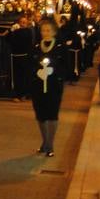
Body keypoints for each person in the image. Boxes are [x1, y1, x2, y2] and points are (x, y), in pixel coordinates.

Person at [29, 17, 66, 156]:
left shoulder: (60, 46)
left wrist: (54, 71)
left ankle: (50, 145)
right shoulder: (37, 46)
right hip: (38, 85)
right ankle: (44, 142)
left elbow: (64, 64)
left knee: (52, 114)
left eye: (48, 30)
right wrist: (37, 71)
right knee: (41, 114)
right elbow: (31, 62)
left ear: (54, 31)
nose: (46, 33)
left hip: (54, 85)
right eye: (43, 30)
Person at [7, 14, 35, 102]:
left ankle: (23, 94)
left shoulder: (27, 31)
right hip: (15, 57)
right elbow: (8, 40)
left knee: (24, 77)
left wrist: (16, 31)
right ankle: (16, 94)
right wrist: (11, 31)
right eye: (21, 22)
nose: (23, 24)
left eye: (24, 23)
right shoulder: (15, 31)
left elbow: (24, 39)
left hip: (24, 57)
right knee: (16, 77)